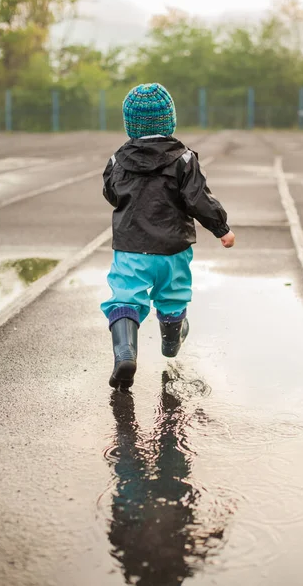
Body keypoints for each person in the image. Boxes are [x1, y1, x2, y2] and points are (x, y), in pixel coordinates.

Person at [101, 83, 235, 389]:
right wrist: (222, 229)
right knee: (172, 296)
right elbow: (198, 199)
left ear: (130, 123)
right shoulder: (183, 159)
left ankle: (125, 353)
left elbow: (111, 193)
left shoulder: (117, 159)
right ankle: (171, 342)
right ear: (169, 119)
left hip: (131, 248)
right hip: (172, 248)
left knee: (125, 299)